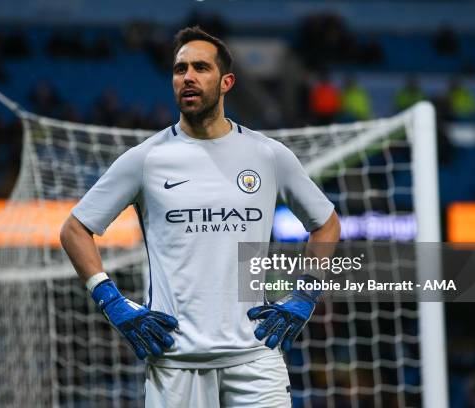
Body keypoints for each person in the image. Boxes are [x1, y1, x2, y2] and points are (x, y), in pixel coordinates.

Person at [60, 26, 340, 407]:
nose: (187, 77)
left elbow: (326, 223)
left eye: (200, 68)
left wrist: (306, 294)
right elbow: (75, 229)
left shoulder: (268, 155)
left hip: (256, 356)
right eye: (179, 69)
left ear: (226, 82)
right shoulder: (147, 159)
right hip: (175, 360)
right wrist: (111, 301)